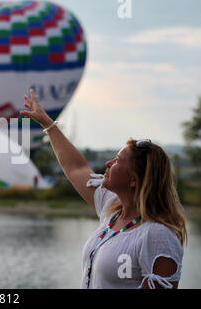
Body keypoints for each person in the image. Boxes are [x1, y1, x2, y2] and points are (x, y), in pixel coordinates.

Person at [20, 89, 187, 289]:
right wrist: (47, 124)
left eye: (117, 161)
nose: (108, 163)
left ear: (133, 179)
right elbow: (76, 168)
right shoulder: (112, 207)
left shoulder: (157, 235)